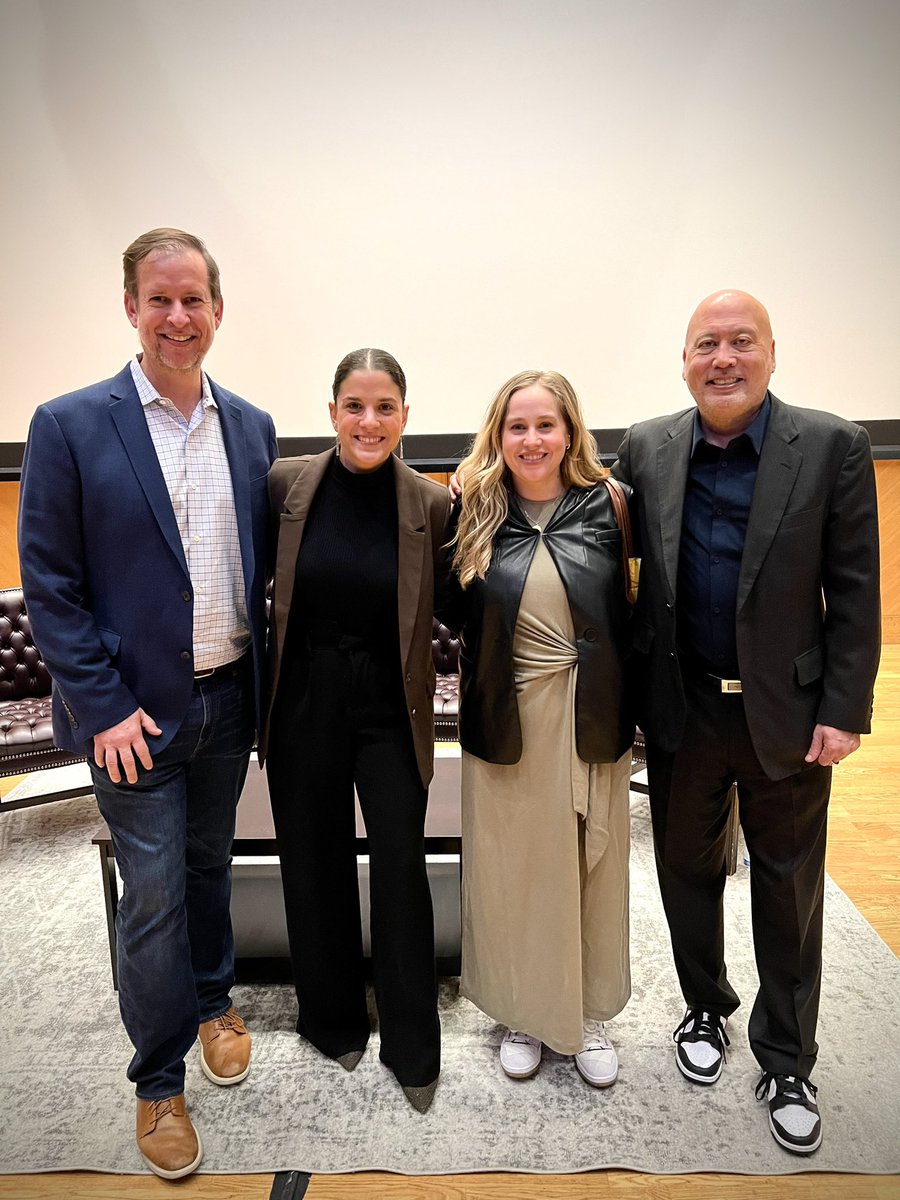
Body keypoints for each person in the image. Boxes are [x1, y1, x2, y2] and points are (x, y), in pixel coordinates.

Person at [17, 228, 277, 1179]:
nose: (178, 318)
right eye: (159, 300)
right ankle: (157, 1080)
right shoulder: (69, 424)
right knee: (154, 898)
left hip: (227, 704)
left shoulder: (249, 425)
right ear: (130, 307)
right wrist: (102, 705)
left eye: (194, 300)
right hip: (131, 718)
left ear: (218, 309)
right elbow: (49, 582)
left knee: (210, 871)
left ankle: (215, 1004)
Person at [614, 289, 881, 1155]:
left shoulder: (832, 445)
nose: (722, 359)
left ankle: (788, 1053)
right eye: (705, 345)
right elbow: (593, 541)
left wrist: (844, 710)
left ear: (772, 352)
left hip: (789, 717)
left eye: (740, 343)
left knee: (787, 885)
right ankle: (704, 1008)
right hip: (682, 709)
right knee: (685, 871)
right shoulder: (648, 446)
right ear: (683, 360)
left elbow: (855, 588)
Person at [258, 348, 451, 1113]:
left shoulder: (430, 505)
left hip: (388, 706)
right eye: (354, 406)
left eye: (385, 407)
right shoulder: (284, 485)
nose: (369, 422)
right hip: (304, 696)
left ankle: (411, 1042)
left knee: (401, 865)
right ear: (331, 410)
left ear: (406, 414)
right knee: (312, 860)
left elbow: (463, 608)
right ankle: (332, 1020)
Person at [449, 370, 634, 1086]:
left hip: (591, 716)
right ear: (499, 434)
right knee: (516, 873)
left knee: (592, 863)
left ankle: (586, 1014)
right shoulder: (470, 510)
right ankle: (525, 1010)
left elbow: (638, 614)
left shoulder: (613, 504)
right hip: (507, 719)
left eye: (545, 425)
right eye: (516, 426)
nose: (531, 440)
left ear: (570, 432)